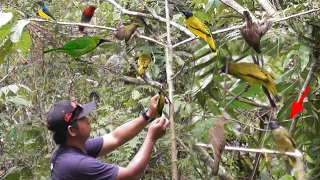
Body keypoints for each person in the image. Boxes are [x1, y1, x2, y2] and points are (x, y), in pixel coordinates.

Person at [46, 95, 169, 180]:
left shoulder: (68, 149)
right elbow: (131, 175)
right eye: (82, 119)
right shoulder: (76, 164)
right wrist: (152, 138)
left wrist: (148, 115)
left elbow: (115, 137)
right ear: (72, 130)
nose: (88, 120)